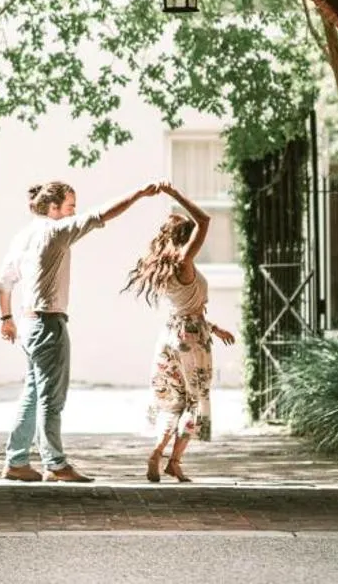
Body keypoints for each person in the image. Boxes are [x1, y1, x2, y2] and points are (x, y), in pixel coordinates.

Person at [0, 178, 158, 483]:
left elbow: (2, 282)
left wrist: (6, 318)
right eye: (70, 206)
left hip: (27, 323)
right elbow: (101, 215)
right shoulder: (56, 231)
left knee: (32, 393)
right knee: (51, 398)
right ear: (54, 207)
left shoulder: (24, 235)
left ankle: (16, 461)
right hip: (48, 323)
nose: (73, 212)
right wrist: (138, 193)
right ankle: (55, 464)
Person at [122, 182, 236, 483]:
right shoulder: (184, 264)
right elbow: (205, 220)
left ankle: (158, 454)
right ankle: (174, 460)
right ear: (186, 240)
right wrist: (174, 195)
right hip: (191, 339)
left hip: (171, 335)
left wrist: (214, 326)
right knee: (196, 401)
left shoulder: (164, 267)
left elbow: (184, 310)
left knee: (173, 400)